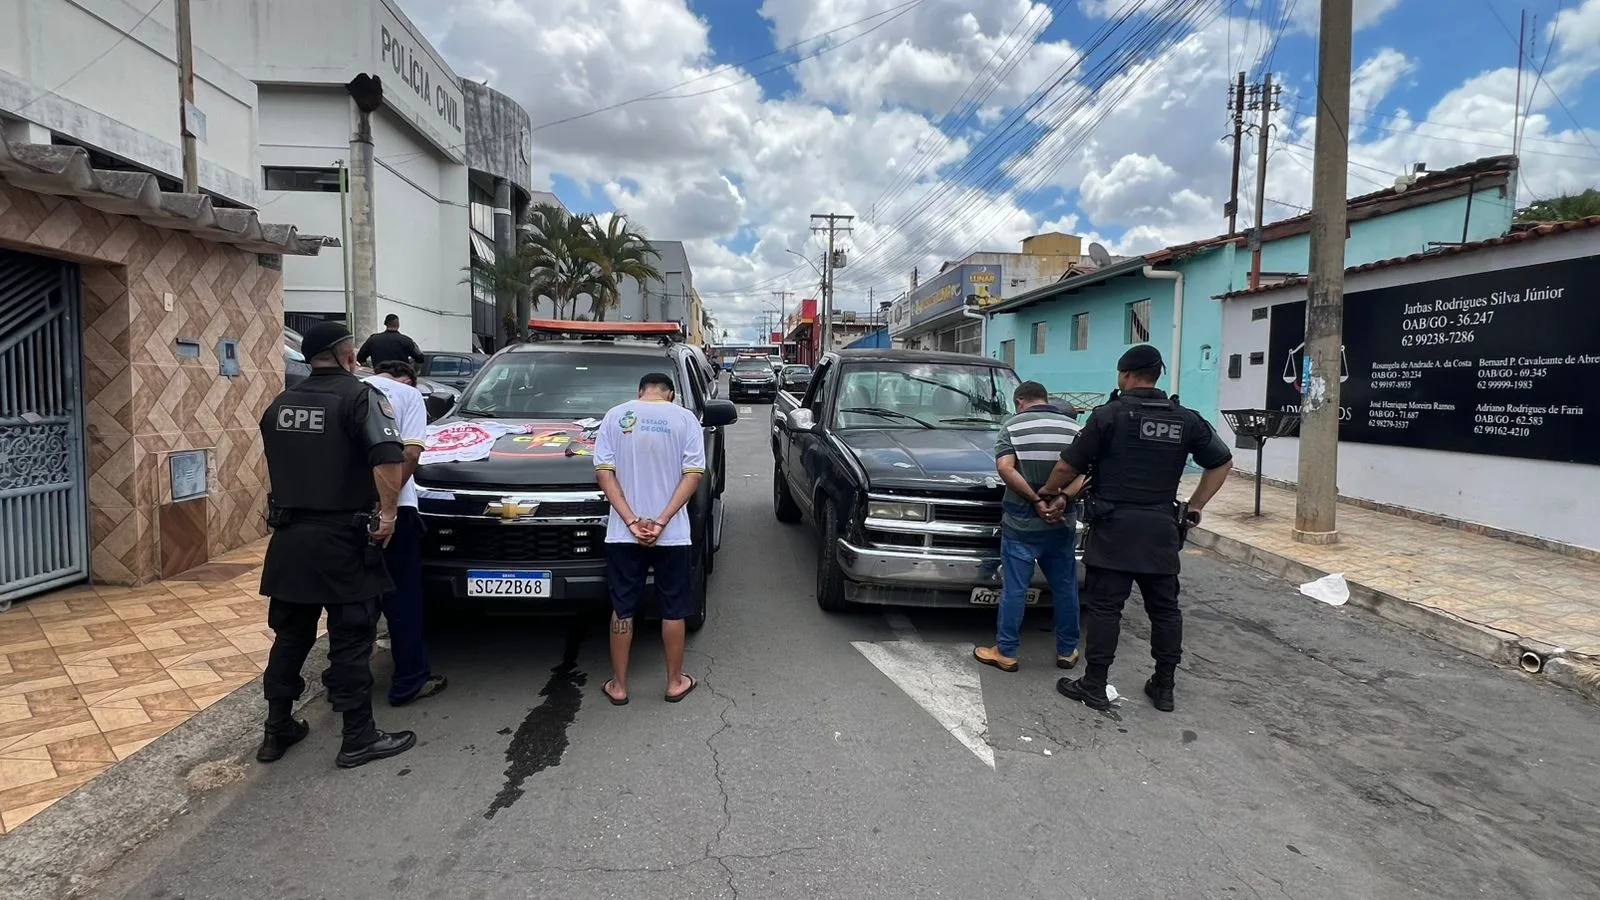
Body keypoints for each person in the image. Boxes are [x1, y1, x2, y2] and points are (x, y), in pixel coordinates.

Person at [256, 321, 417, 768]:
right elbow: (388, 458)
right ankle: (358, 737)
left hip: (289, 540)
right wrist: (387, 515)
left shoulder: (280, 403)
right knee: (350, 639)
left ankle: (276, 730)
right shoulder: (361, 397)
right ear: (349, 357)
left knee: (290, 638)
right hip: (344, 540)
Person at [1039, 345, 1234, 713]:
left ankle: (1095, 684)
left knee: (1106, 609)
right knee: (1164, 610)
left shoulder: (1109, 415)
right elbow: (1222, 462)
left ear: (1125, 375)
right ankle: (1164, 686)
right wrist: (1194, 507)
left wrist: (1050, 492)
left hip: (1115, 529)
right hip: (1161, 529)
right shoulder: (1186, 419)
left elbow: (1068, 467)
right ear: (1156, 375)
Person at [592, 373, 706, 705]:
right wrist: (661, 521)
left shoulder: (615, 415)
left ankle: (619, 685)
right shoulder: (685, 419)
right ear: (670, 394)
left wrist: (630, 520)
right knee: (673, 609)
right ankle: (674, 682)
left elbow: (603, 473)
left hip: (623, 534)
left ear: (640, 392)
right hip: (671, 535)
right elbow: (693, 476)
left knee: (622, 608)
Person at [974, 382, 1087, 674]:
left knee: (1014, 589)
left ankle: (1007, 652)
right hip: (1061, 523)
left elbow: (1005, 468)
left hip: (1021, 523)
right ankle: (1067, 650)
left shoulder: (1012, 426)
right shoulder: (1073, 428)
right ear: (1046, 400)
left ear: (1020, 402)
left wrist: (1036, 499)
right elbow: (1085, 473)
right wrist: (1061, 498)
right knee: (1065, 588)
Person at [363, 360, 448, 707]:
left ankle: (346, 681)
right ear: (408, 377)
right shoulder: (408, 395)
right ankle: (408, 681)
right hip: (397, 510)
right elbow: (410, 454)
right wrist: (389, 505)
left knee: (353, 600)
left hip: (343, 512)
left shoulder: (350, 388)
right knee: (403, 600)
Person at [357, 314, 426, 369]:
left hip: (380, 376)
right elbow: (420, 358)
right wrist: (414, 372)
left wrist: (370, 369)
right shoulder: (406, 340)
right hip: (401, 377)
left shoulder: (373, 339)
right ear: (398, 324)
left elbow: (360, 357)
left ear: (385, 324)